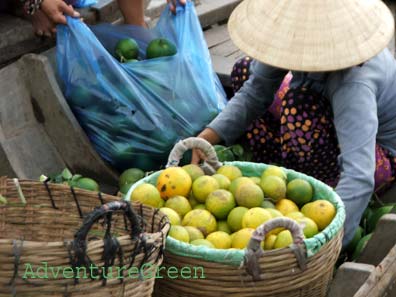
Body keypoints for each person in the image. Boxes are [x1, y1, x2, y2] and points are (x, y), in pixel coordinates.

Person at [192, 0, 396, 246]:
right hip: (325, 121)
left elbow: (360, 174)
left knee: (299, 106)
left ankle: (318, 185)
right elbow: (254, 93)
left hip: (377, 158)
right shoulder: (290, 42)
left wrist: (326, 244)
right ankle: (281, 170)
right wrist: (206, 138)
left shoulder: (354, 83)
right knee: (246, 69)